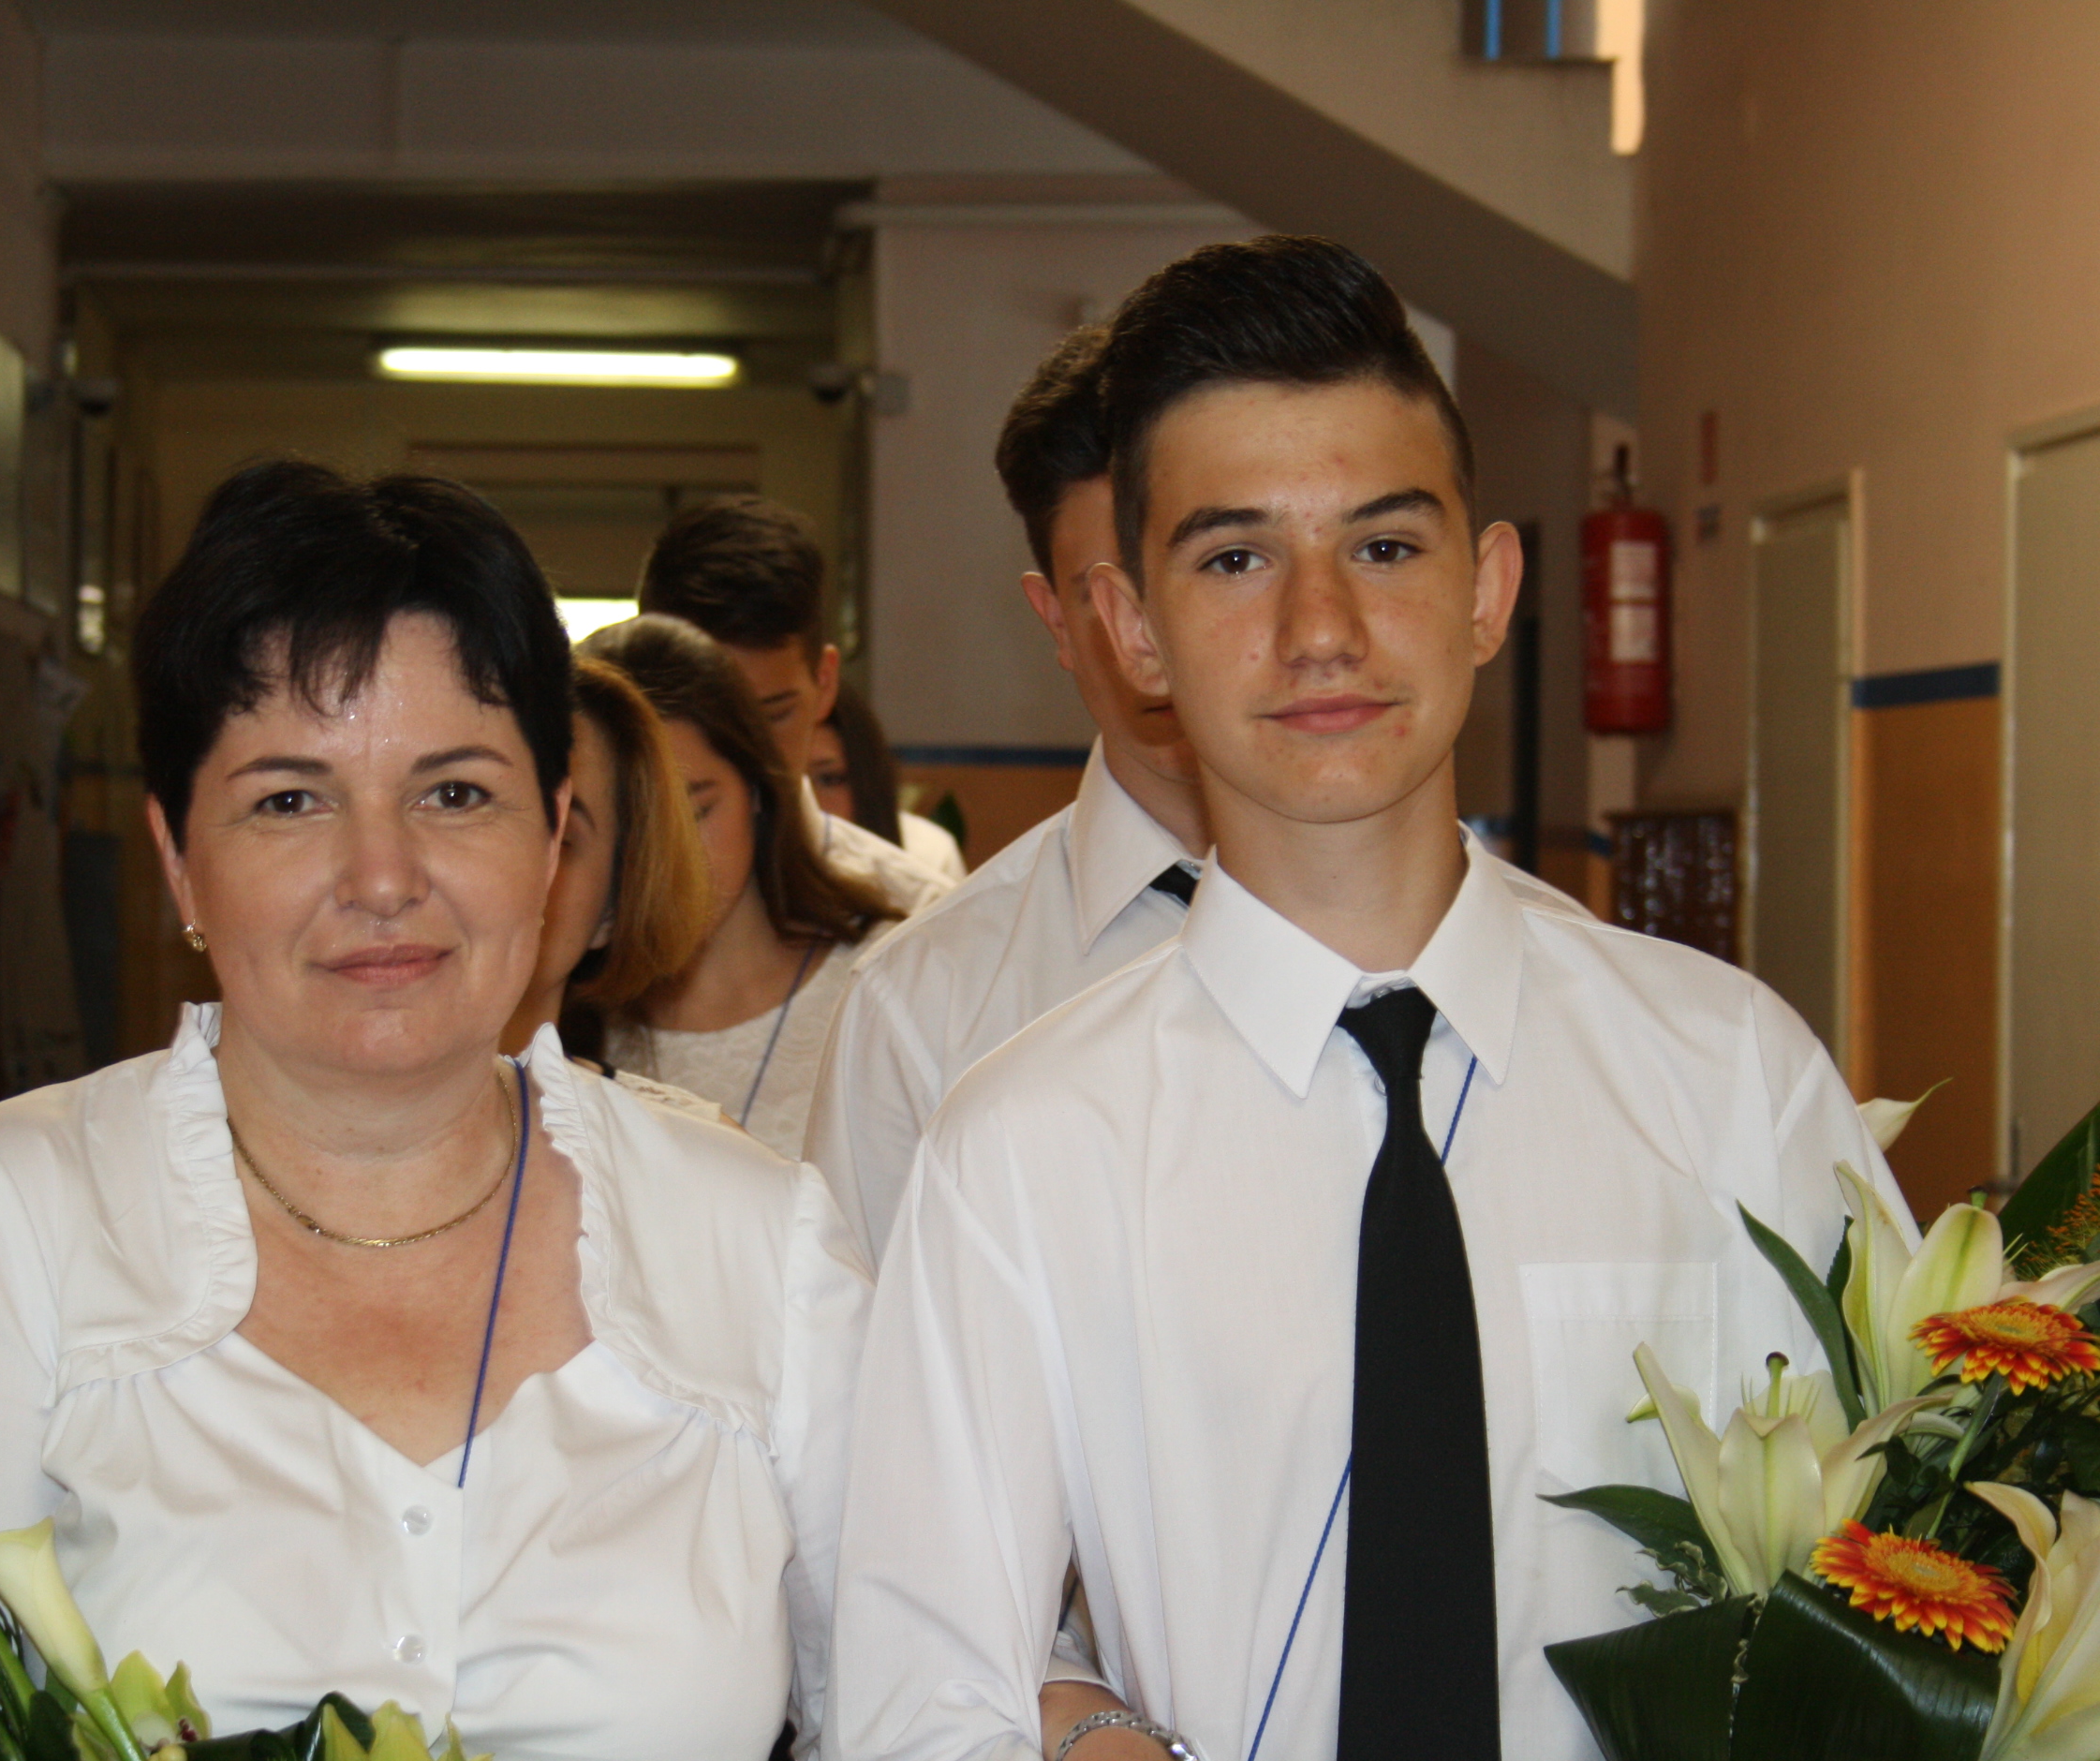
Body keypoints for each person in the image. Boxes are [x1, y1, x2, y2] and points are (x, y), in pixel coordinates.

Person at [826, 237, 1919, 1761]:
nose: (1321, 627)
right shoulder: (1024, 1147)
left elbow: (1924, 1581)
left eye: (1387, 547)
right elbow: (921, 1696)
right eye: (1234, 559)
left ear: (1489, 589)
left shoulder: (1728, 1075)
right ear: (1132, 630)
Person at [0, 463, 868, 1761]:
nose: (382, 876)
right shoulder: (12, 1212)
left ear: (553, 837)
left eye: (454, 792)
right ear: (179, 859)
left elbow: (918, 1706)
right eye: (289, 800)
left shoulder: (754, 1240)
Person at [802, 324, 1209, 1262]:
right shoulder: (925, 1001)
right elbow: (861, 1334)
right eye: (1104, 593)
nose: (1151, 636)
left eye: (1207, 569)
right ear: (1054, 618)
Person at [580, 614, 901, 1160]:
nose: (663, 861)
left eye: (695, 813)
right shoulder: (560, 1006)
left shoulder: (885, 980)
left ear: (755, 786)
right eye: (625, 830)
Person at [637, 495, 954, 914]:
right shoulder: (597, 903)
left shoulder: (910, 914)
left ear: (824, 683)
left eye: (774, 716)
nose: (748, 755)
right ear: (645, 700)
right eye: (712, 720)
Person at [497, 655, 731, 1126]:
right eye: (459, 803)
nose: (505, 870)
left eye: (561, 838)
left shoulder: (681, 1152)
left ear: (614, 904)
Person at [811, 685, 968, 886]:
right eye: (791, 782)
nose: (808, 800)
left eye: (828, 780)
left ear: (867, 780)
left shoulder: (927, 853)